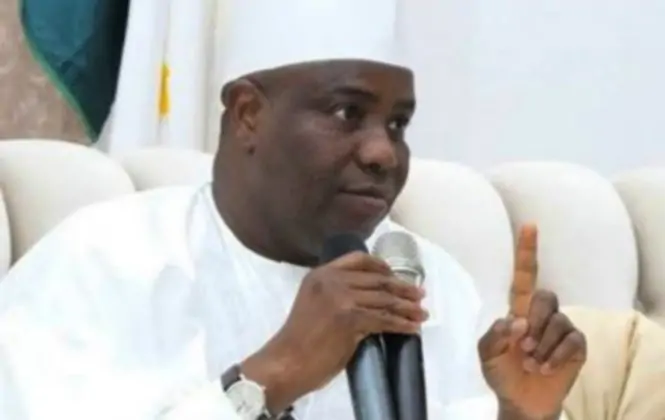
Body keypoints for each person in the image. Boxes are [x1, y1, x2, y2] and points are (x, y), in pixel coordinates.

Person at [0, 1, 586, 419]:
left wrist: (518, 415)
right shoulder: (102, 264)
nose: (383, 152)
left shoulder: (431, 282)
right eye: (347, 113)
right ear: (248, 114)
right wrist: (275, 373)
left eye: (397, 124)